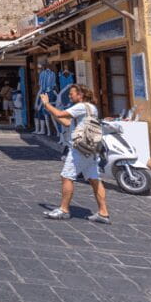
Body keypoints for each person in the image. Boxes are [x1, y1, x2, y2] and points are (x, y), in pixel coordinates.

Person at [40, 85, 110, 224]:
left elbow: (61, 114)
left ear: (81, 94)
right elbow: (67, 123)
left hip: (79, 149)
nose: (69, 96)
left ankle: (64, 210)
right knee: (94, 179)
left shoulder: (81, 106)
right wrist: (52, 112)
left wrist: (47, 104)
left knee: (66, 176)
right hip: (90, 148)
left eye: (72, 93)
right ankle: (103, 213)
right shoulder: (92, 108)